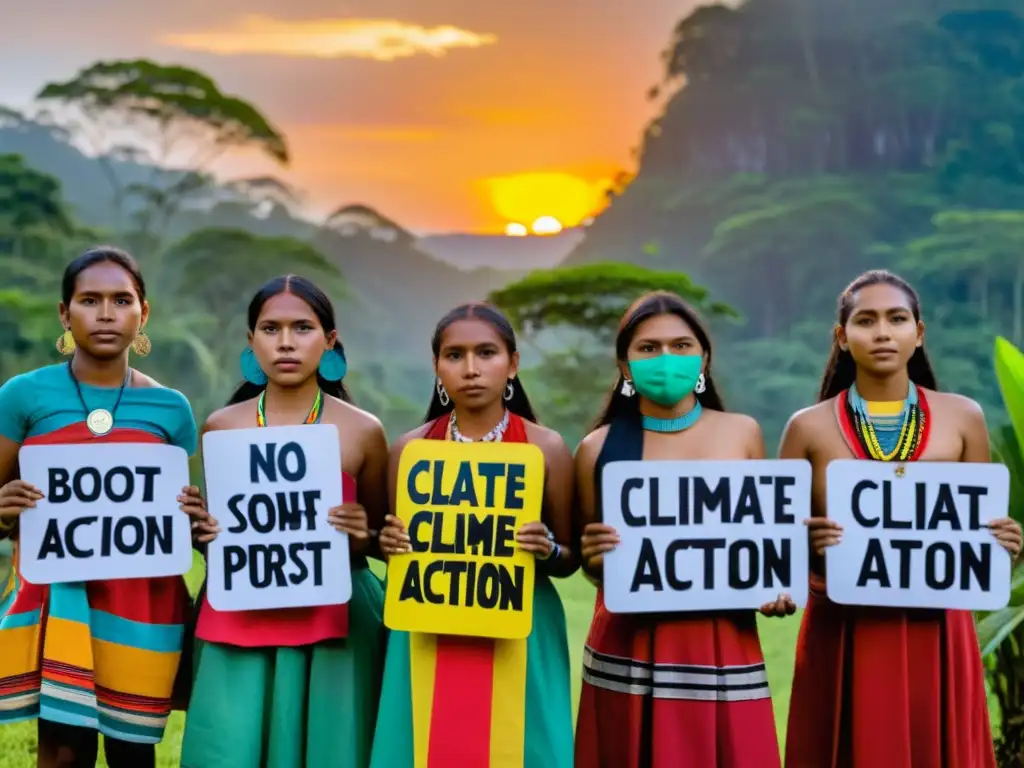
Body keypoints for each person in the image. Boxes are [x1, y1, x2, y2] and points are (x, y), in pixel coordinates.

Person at [782, 270, 1022, 768]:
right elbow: (775, 539)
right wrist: (806, 540)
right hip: (844, 625)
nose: (883, 332)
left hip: (937, 627)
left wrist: (1002, 539)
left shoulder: (963, 418)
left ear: (919, 332)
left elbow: (978, 523)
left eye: (897, 318)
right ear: (842, 337)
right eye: (866, 320)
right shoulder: (807, 426)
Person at [574, 291, 795, 768]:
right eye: (648, 348)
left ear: (704, 358)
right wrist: (594, 558)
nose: (666, 359)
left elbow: (760, 541)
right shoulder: (598, 447)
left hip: (721, 642)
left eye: (681, 345)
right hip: (629, 648)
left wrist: (776, 586)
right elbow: (593, 565)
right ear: (625, 366)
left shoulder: (742, 432)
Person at [178, 275, 389, 768]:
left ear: (330, 340)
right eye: (271, 329)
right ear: (251, 342)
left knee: (329, 750)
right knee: (227, 748)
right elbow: (224, 538)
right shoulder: (221, 426)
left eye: (303, 327)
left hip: (334, 619)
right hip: (238, 613)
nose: (287, 342)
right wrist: (199, 533)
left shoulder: (363, 430)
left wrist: (363, 534)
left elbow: (382, 540)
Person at [0, 247, 198, 768]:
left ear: (144, 313)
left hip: (143, 603)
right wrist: (4, 508)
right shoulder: (22, 396)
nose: (106, 313)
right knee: (63, 753)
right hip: (60, 599)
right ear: (65, 314)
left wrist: (194, 518)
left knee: (134, 752)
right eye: (90, 300)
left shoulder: (172, 409)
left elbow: (183, 516)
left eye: (121, 299)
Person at [372, 302, 577, 768]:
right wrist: (389, 544)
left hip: (520, 624)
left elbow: (571, 556)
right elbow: (395, 548)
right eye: (454, 355)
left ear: (513, 363)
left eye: (486, 353)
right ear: (437, 366)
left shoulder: (545, 447)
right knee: (427, 744)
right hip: (427, 625)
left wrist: (547, 548)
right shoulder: (409, 449)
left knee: (523, 746)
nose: (470, 369)